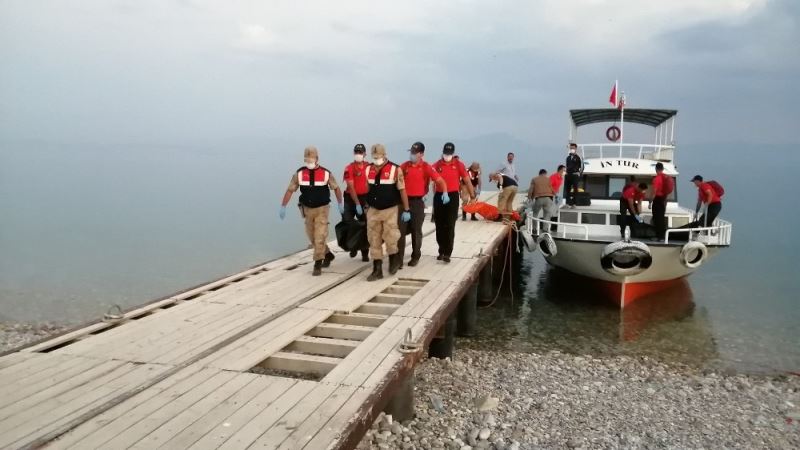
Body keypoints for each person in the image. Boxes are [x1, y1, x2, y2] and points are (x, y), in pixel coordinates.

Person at [279, 146, 344, 276]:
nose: (309, 163)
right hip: (307, 210)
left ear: (317, 159)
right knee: (312, 237)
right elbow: (290, 190)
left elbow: (336, 188)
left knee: (320, 236)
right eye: (306, 160)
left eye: (311, 160)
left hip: (322, 209)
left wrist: (340, 203)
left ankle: (317, 264)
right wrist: (283, 206)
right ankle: (328, 254)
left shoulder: (326, 173)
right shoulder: (299, 174)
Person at [364, 143, 411, 280]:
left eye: (378, 157)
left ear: (385, 156)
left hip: (390, 209)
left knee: (391, 237)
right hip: (373, 210)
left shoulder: (395, 170)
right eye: (374, 157)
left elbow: (402, 190)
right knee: (374, 239)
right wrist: (366, 205)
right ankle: (377, 269)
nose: (376, 159)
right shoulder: (368, 169)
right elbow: (368, 188)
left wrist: (406, 209)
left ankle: (393, 261)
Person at [398, 142, 447, 268]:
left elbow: (440, 180)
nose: (412, 155)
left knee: (416, 230)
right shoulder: (404, 166)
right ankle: (398, 259)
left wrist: (445, 192)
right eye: (411, 152)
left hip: (417, 202)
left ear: (421, 154)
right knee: (400, 231)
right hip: (403, 202)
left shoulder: (426, 167)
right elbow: (394, 179)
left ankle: (416, 255)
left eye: (415, 153)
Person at [432, 142, 475, 263]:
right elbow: (428, 176)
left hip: (453, 196)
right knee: (439, 224)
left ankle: (448, 252)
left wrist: (472, 196)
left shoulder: (459, 165)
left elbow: (467, 180)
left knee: (450, 224)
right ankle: (441, 249)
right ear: (443, 152)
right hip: (439, 196)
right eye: (445, 153)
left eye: (449, 153)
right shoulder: (437, 164)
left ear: (453, 153)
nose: (447, 155)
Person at [342, 143, 370, 261]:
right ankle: (353, 246)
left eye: (360, 152)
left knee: (365, 226)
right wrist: (357, 204)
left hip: (365, 199)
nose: (358, 154)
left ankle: (364, 252)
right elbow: (351, 186)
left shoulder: (370, 167)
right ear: (354, 154)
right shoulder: (349, 168)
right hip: (350, 199)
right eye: (356, 152)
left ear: (365, 154)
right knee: (347, 222)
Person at [648, 162, 674, 240]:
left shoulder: (657, 179)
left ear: (656, 169)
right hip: (663, 199)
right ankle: (662, 236)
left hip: (658, 200)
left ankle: (659, 236)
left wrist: (650, 201)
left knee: (657, 218)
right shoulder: (665, 177)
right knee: (661, 218)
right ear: (662, 169)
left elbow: (654, 192)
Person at [564, 143, 582, 208]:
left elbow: (580, 166)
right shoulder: (568, 158)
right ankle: (567, 203)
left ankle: (574, 204)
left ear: (575, 149)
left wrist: (578, 173)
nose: (572, 149)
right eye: (571, 148)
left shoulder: (578, 157)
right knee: (567, 189)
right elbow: (567, 166)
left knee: (575, 189)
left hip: (574, 175)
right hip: (568, 175)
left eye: (573, 148)